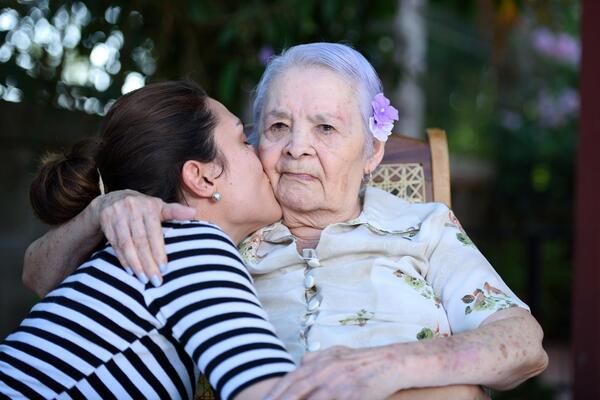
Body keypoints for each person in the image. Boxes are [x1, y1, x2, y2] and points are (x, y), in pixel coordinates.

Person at [22, 43, 548, 399]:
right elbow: (42, 279)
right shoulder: (212, 233)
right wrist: (103, 207)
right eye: (276, 126)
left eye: (325, 128)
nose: (296, 148)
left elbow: (523, 344)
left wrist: (395, 368)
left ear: (372, 151)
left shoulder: (424, 226)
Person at [1, 81, 296, 400]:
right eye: (242, 140)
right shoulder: (191, 245)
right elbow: (269, 392)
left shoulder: (136, 247)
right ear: (202, 177)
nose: (261, 153)